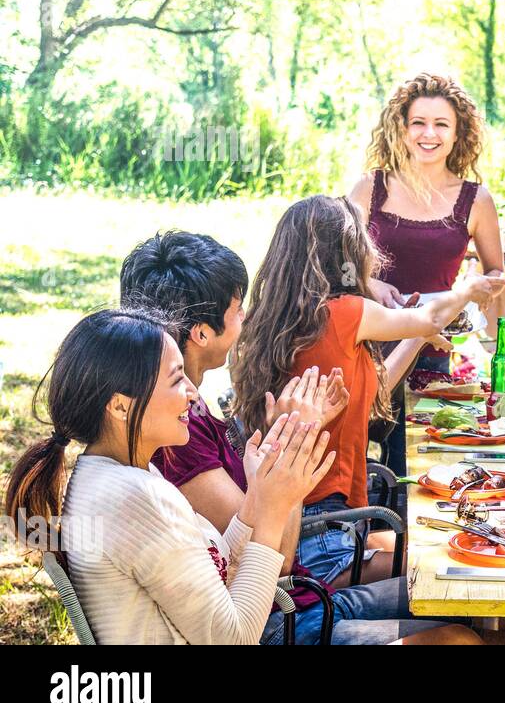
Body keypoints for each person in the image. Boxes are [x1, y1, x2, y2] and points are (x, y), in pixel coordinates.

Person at [121, 231, 480, 645]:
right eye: (239, 309)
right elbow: (276, 560)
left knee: (467, 593)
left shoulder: (189, 412)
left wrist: (287, 442)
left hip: (304, 600)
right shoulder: (177, 433)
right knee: (458, 639)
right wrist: (286, 441)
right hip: (279, 622)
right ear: (202, 332)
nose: (246, 318)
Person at [4, 307, 334, 644]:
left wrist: (260, 498)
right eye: (177, 378)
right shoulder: (135, 497)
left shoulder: (113, 471)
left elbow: (218, 565)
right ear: (120, 406)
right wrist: (275, 512)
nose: (192, 394)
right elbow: (234, 638)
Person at [230, 196, 505, 588]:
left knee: (448, 551)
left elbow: (371, 393)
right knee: (463, 567)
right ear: (346, 250)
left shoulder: (285, 318)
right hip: (326, 536)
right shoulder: (345, 311)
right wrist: (466, 289)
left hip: (307, 526)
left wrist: (416, 337)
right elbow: (431, 313)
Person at [349, 73, 505, 476]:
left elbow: (496, 274)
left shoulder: (476, 199)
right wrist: (369, 281)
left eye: (441, 124)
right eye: (418, 122)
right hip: (366, 341)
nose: (428, 134)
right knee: (356, 455)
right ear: (401, 129)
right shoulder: (371, 188)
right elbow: (333, 262)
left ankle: (408, 537)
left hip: (431, 349)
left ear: (458, 134)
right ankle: (365, 535)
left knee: (419, 460)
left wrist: (485, 302)